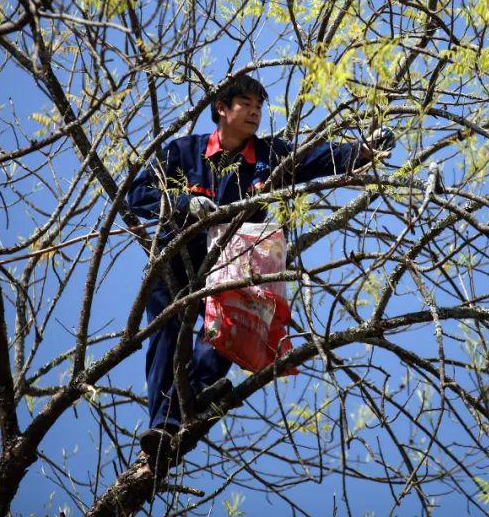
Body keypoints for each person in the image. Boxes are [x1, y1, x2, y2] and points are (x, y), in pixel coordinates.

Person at [125, 75, 394, 462]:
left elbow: (316, 160)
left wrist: (363, 150)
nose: (254, 112)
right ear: (222, 108)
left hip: (231, 265)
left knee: (229, 325)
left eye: (258, 106)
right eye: (245, 103)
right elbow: (138, 195)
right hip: (176, 261)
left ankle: (200, 394)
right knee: (167, 332)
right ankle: (164, 426)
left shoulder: (269, 156)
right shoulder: (182, 152)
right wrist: (183, 204)